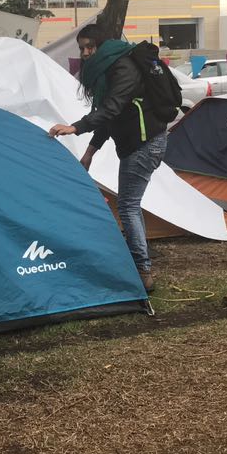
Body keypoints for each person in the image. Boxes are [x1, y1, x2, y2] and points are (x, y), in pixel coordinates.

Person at [48, 23, 177, 292]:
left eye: (90, 47)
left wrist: (75, 127)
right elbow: (111, 119)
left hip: (145, 144)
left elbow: (111, 109)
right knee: (131, 205)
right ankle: (139, 265)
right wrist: (89, 152)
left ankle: (142, 271)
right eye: (82, 48)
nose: (85, 53)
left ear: (102, 44)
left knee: (128, 206)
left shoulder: (123, 67)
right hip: (138, 144)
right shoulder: (108, 68)